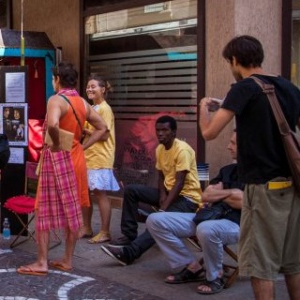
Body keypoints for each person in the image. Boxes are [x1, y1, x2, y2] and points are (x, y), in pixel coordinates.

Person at [198, 35, 300, 299]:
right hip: (292, 185)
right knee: (293, 262)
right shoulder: (288, 87)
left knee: (260, 264)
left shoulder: (243, 88)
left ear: (234, 60)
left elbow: (209, 133)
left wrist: (203, 109)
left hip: (263, 189)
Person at [17, 62, 108, 275]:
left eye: (52, 78)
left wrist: (56, 145)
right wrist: (82, 145)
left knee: (43, 209)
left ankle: (42, 261)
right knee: (73, 210)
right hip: (76, 158)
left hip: (57, 158)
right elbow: (103, 128)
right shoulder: (82, 103)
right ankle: (67, 259)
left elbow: (52, 125)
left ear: (57, 79)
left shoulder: (56, 99)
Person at [146, 132, 243, 295]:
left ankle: (215, 276)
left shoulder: (257, 175)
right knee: (155, 220)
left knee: (206, 228)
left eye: (233, 143)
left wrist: (223, 191)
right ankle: (191, 265)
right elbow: (205, 195)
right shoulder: (227, 170)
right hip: (207, 216)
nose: (228, 146)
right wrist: (232, 193)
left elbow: (245, 202)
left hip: (238, 224)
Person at [101, 116, 202, 265]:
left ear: (174, 132)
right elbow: (161, 175)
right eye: (158, 130)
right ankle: (129, 235)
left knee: (158, 221)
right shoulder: (160, 149)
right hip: (169, 194)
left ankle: (129, 254)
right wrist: (162, 195)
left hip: (187, 199)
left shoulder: (182, 150)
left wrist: (164, 209)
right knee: (131, 190)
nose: (160, 133)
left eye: (165, 130)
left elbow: (179, 182)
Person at [83, 75, 120, 244]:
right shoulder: (93, 108)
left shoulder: (104, 108)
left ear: (103, 90)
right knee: (86, 193)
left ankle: (105, 231)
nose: (89, 89)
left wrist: (85, 130)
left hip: (100, 156)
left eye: (93, 87)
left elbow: (104, 135)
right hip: (89, 156)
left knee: (100, 194)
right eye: (88, 87)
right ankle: (86, 227)